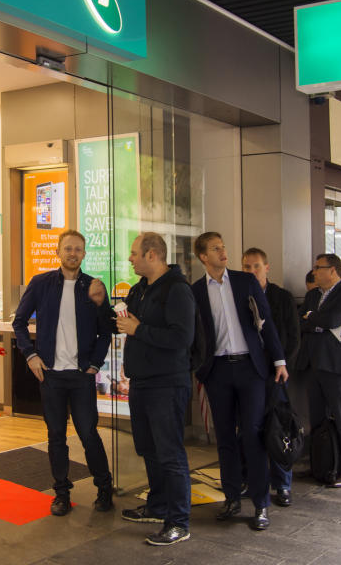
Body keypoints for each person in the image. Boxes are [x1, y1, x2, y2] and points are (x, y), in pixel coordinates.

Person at [12, 230, 115, 516]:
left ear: (84, 254)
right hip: (51, 376)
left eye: (78, 249)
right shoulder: (41, 283)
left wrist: (95, 363)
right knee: (56, 436)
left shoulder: (93, 286)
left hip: (81, 375)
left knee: (88, 434)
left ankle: (104, 489)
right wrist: (30, 355)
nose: (73, 254)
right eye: (68, 248)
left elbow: (106, 330)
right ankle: (61, 493)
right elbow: (19, 322)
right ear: (58, 252)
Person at [191, 233, 286, 531]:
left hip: (250, 368)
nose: (224, 252)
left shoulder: (244, 282)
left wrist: (279, 360)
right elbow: (194, 335)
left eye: (223, 246)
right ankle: (232, 497)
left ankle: (260, 504)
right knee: (225, 438)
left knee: (253, 434)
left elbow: (266, 321)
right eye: (216, 249)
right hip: (217, 371)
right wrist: (198, 368)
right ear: (203, 257)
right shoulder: (195, 291)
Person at [117, 232, 195, 546]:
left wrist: (140, 329)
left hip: (167, 384)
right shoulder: (140, 290)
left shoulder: (177, 290)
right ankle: (158, 505)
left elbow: (181, 338)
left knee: (170, 454)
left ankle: (179, 521)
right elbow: (128, 323)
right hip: (142, 382)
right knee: (149, 450)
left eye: (135, 253)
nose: (130, 258)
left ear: (152, 255)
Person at [297, 253, 341, 488]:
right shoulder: (313, 294)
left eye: (319, 267)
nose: (314, 271)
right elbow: (301, 322)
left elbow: (334, 319)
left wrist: (314, 318)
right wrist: (315, 320)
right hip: (313, 363)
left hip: (336, 365)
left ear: (333, 270)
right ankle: (321, 464)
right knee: (317, 418)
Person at [242, 247, 299, 508]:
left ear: (267, 267)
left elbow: (293, 337)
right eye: (246, 267)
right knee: (250, 429)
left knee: (278, 427)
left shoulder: (282, 298)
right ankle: (251, 480)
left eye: (256, 266)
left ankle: (283, 483)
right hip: (250, 372)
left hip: (276, 374)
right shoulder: (239, 296)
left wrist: (282, 365)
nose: (251, 271)